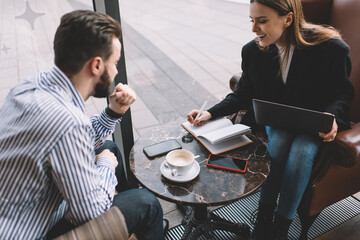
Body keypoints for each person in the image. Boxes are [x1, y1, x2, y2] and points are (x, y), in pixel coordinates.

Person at [187, 0, 354, 239]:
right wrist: (211, 113)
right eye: (252, 20)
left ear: (287, 19)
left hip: (312, 124)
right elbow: (244, 93)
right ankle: (264, 219)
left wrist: (333, 118)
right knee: (281, 138)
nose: (254, 29)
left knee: (302, 151)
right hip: (278, 121)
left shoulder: (331, 49)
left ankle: (280, 228)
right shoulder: (253, 51)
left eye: (262, 21)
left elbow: (342, 93)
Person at [0, 10, 165, 240]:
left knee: (110, 146)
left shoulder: (32, 85)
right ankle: (145, 218)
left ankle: (136, 225)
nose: (116, 71)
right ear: (97, 65)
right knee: (147, 203)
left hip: (18, 206)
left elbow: (72, 138)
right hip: (29, 232)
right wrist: (105, 164)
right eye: (115, 63)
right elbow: (90, 212)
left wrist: (113, 112)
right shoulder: (67, 121)